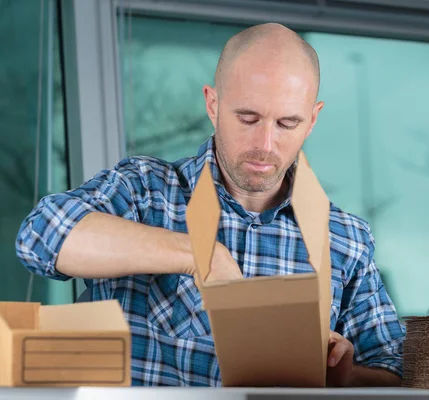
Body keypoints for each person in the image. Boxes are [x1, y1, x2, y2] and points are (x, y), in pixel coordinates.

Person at [15, 22, 405, 387]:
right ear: (213, 105)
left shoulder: (345, 238)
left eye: (287, 124)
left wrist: (347, 375)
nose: (265, 145)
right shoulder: (145, 191)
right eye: (247, 118)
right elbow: (41, 235)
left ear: (313, 120)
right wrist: (202, 256)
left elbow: (396, 369)